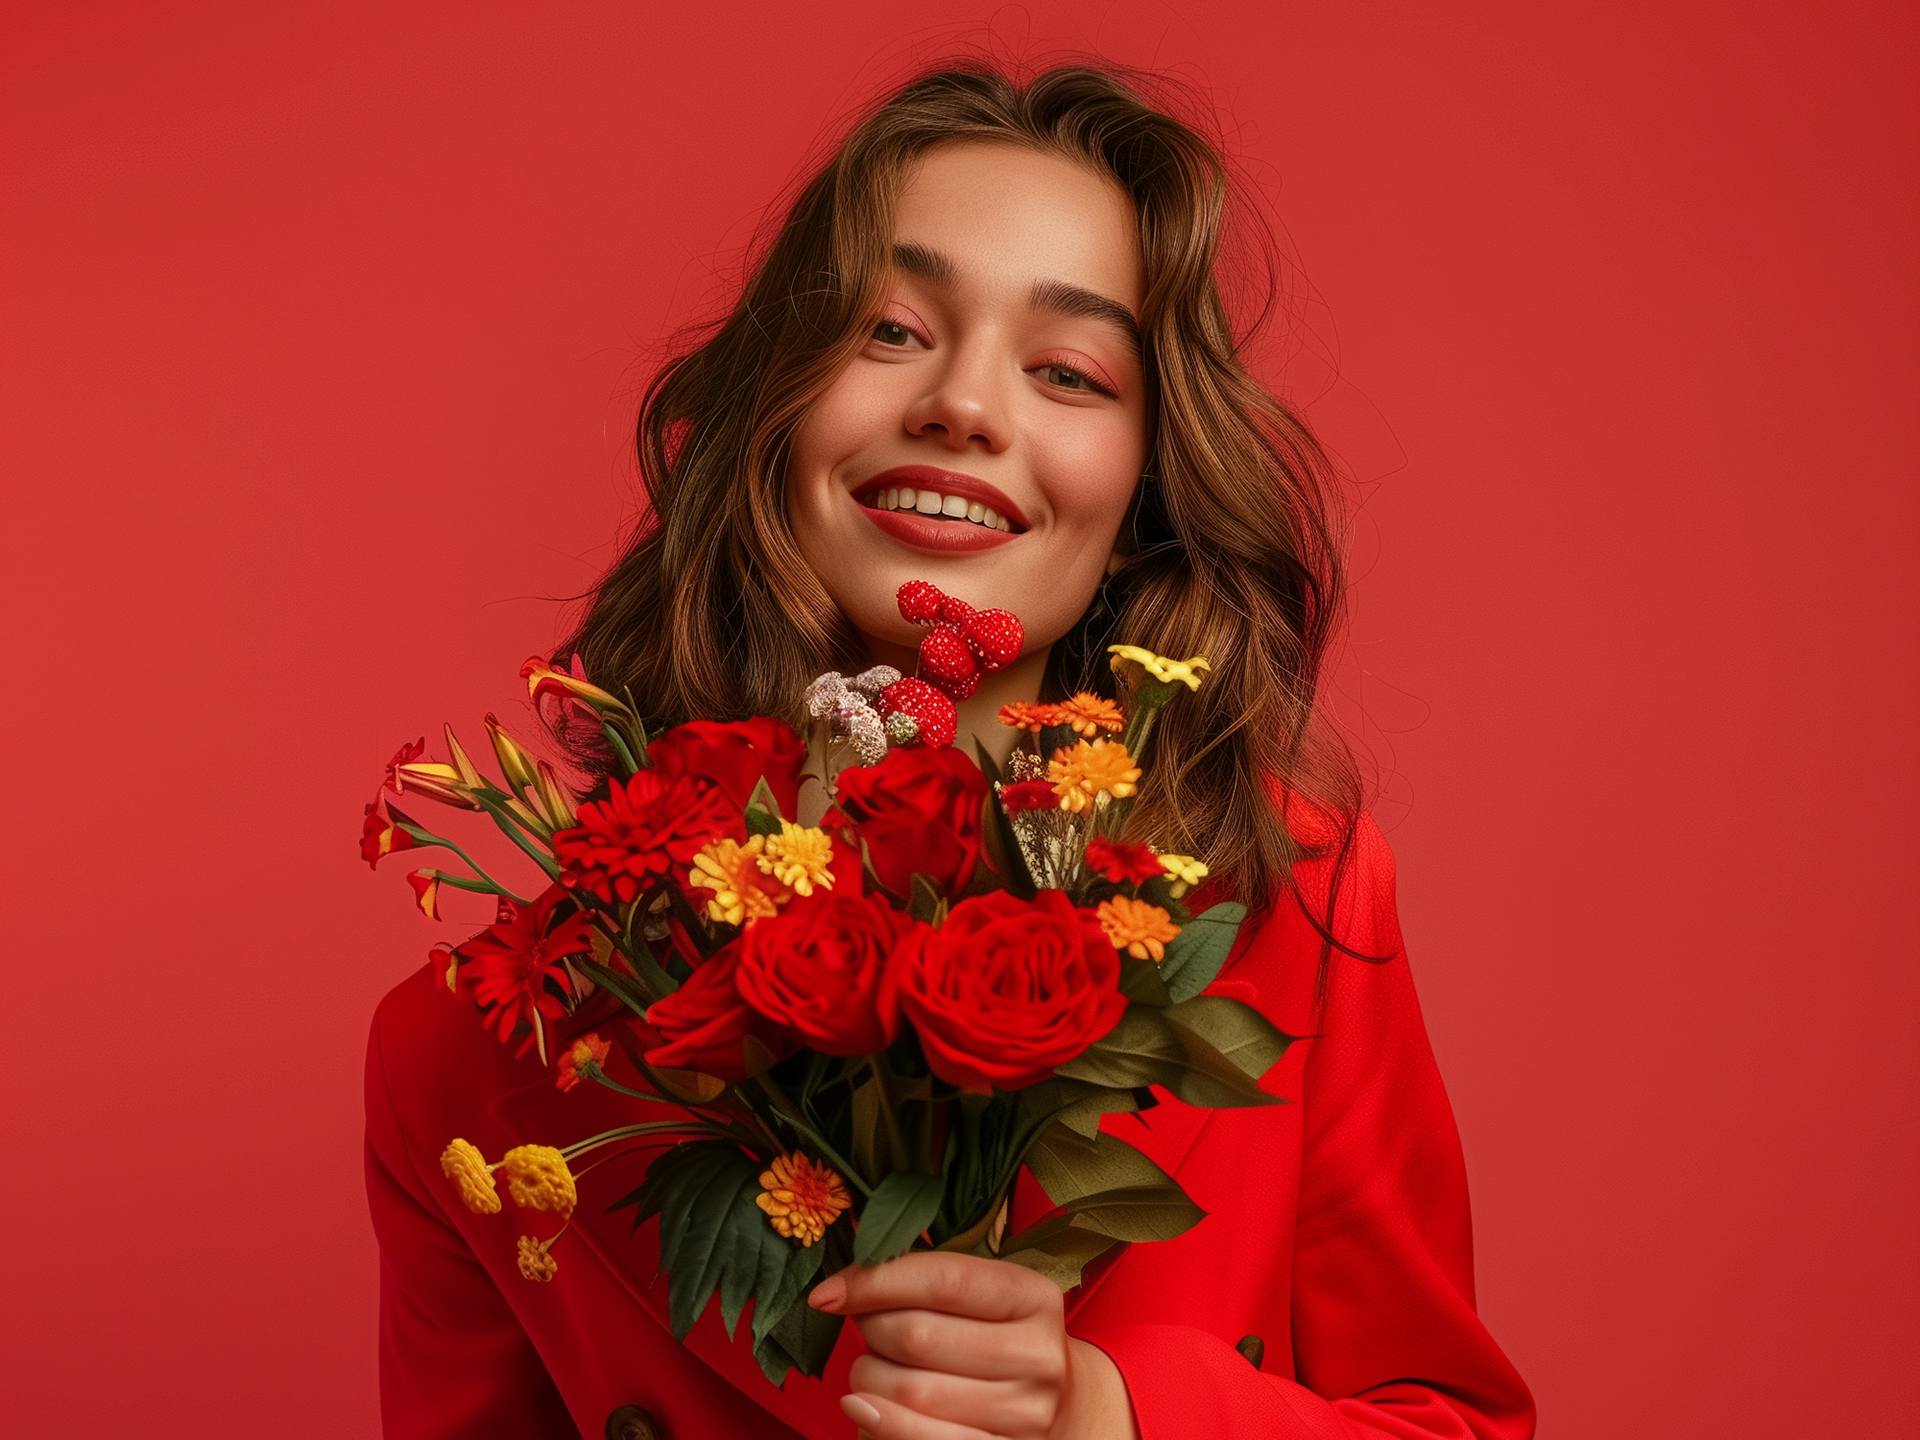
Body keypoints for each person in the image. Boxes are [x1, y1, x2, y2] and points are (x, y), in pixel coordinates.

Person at [365, 62, 1536, 1440]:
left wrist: (1108, 1417)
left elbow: (1451, 1425)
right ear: (770, 418)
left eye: (1069, 371)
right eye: (891, 331)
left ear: (1145, 494)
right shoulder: (471, 1059)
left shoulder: (1292, 898)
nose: (967, 406)